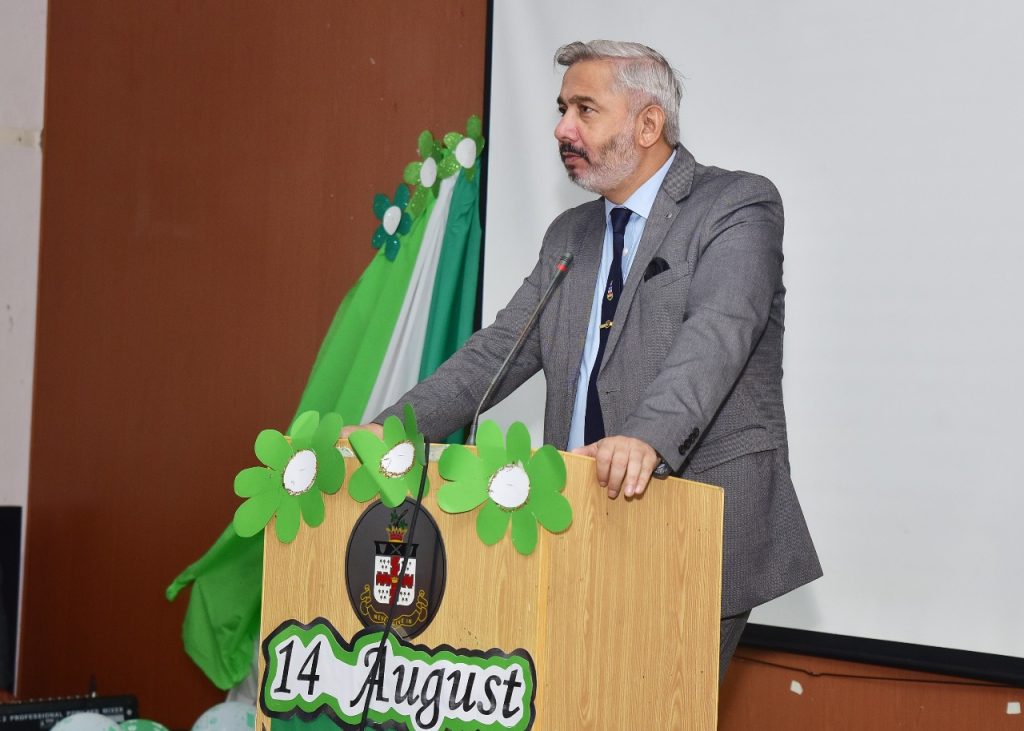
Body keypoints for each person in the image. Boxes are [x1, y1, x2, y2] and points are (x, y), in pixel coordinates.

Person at [344, 40, 821, 680]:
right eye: (562, 109)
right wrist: (391, 431)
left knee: (648, 709)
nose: (562, 129)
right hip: (569, 519)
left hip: (690, 522)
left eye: (584, 110)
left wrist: (645, 438)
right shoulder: (570, 235)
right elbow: (496, 351)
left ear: (647, 124)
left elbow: (719, 331)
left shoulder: (735, 206)